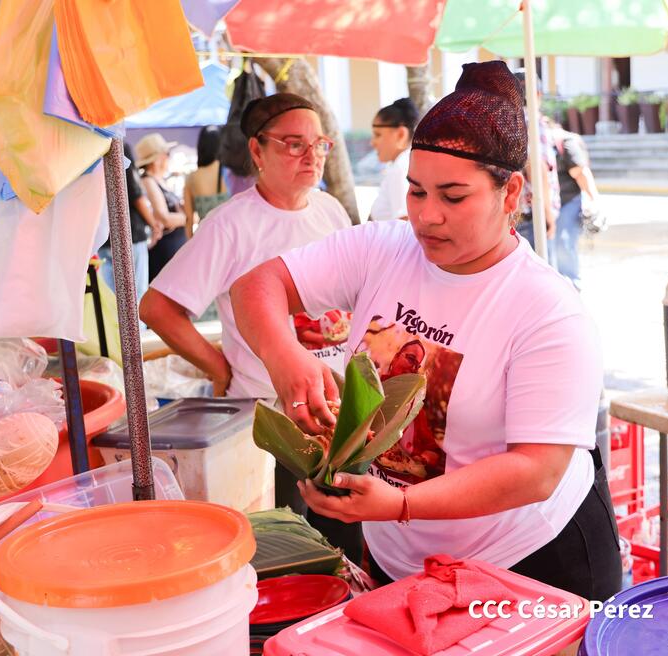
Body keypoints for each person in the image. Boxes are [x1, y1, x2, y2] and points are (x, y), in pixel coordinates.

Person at [230, 61, 621, 602]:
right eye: (416, 192)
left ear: (511, 194)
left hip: (526, 558)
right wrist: (286, 359)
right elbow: (256, 287)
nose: (426, 217)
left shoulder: (548, 310)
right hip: (402, 556)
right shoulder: (381, 247)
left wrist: (401, 505)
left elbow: (537, 470)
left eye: (452, 197)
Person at [140, 93, 359, 560]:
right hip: (272, 418)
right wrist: (218, 367)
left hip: (338, 411)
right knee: (289, 547)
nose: (312, 156)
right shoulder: (230, 226)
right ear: (257, 151)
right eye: (293, 144)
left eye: (319, 144)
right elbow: (157, 307)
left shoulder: (330, 211)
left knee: (345, 544)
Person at [98, 142, 161, 300]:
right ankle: (136, 326)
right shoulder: (118, 143)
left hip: (102, 236)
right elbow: (134, 193)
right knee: (136, 297)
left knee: (113, 300)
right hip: (129, 234)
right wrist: (153, 224)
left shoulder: (89, 143)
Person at [549, 119, 602, 290]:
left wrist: (594, 200)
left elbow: (581, 173)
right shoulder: (557, 141)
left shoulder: (565, 142)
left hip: (567, 203)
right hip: (557, 204)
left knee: (563, 245)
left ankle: (571, 287)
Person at [512, 71, 560, 262]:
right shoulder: (531, 121)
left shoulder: (510, 120)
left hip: (519, 215)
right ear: (537, 95)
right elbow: (536, 166)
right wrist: (547, 213)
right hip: (533, 217)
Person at [135, 133, 187, 281]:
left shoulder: (158, 180)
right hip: (164, 251)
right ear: (157, 160)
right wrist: (188, 217)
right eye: (167, 154)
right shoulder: (149, 181)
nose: (169, 158)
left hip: (172, 247)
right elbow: (163, 217)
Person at [369, 97, 420, 222]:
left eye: (378, 135)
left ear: (401, 134)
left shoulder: (401, 169)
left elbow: (405, 222)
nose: (372, 143)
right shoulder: (407, 163)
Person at [184, 125, 230, 239]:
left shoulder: (192, 177)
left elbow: (189, 220)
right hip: (229, 236)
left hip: (205, 238)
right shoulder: (230, 172)